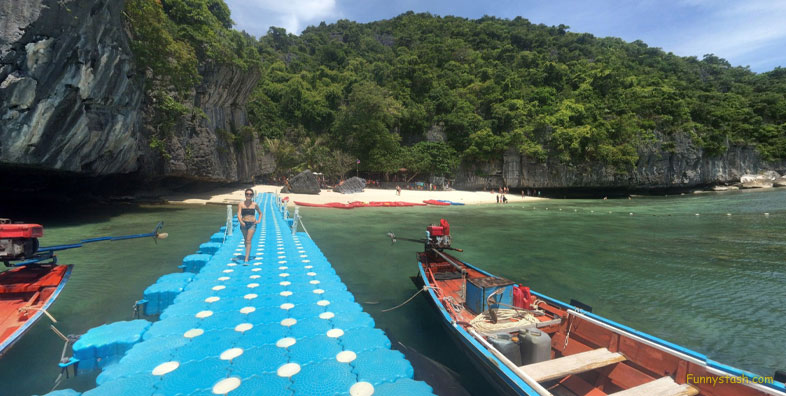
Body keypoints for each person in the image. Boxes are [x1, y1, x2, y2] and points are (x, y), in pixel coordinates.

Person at [237, 188, 261, 264]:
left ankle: (246, 259)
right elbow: (238, 214)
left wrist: (258, 220)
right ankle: (247, 251)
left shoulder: (254, 204)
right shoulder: (241, 204)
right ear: (245, 195)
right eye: (247, 194)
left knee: (248, 240)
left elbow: (260, 213)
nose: (248, 195)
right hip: (243, 223)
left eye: (250, 194)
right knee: (245, 240)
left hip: (252, 224)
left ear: (252, 195)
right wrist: (241, 221)